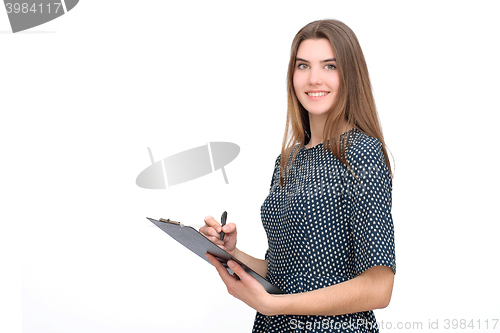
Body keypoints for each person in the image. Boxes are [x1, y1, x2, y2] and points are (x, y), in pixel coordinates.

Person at [201, 19, 396, 333]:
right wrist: (233, 254)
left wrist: (273, 305)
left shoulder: (362, 153)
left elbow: (378, 288)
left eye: (329, 66)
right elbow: (285, 273)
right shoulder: (287, 160)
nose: (314, 78)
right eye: (303, 65)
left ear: (350, 76)